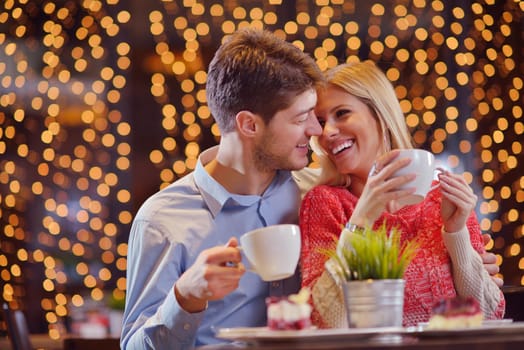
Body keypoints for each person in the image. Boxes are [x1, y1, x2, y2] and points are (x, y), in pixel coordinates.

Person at [121, 28, 324, 349]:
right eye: (301, 118)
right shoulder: (162, 220)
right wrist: (185, 297)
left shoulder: (314, 196)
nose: (315, 130)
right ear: (249, 125)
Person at [299, 61, 505, 328]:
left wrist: (456, 234)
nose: (328, 132)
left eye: (342, 113)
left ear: (381, 116)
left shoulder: (441, 200)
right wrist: (361, 220)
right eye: (322, 121)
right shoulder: (324, 203)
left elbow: (489, 315)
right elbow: (323, 320)